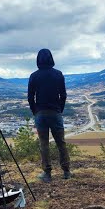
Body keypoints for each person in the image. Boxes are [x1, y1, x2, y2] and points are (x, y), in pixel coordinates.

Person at [28, 48, 71, 182]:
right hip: (55, 113)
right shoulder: (58, 74)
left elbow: (30, 97)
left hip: (40, 114)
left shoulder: (34, 76)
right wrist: (60, 109)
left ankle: (47, 173)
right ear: (51, 58)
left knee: (44, 144)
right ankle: (66, 172)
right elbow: (63, 95)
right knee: (61, 143)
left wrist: (35, 112)